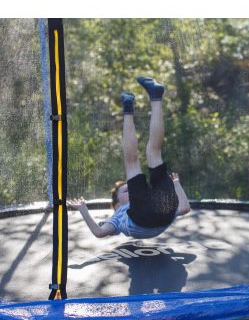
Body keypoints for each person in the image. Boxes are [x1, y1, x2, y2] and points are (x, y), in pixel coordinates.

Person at [67, 77, 190, 239]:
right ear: (118, 205)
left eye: (128, 188)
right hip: (150, 216)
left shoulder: (124, 213)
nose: (130, 190)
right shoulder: (117, 217)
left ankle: (154, 96)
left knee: (150, 154)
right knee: (151, 154)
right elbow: (185, 207)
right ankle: (134, 107)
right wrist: (176, 185)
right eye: (126, 190)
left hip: (157, 212)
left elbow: (184, 209)